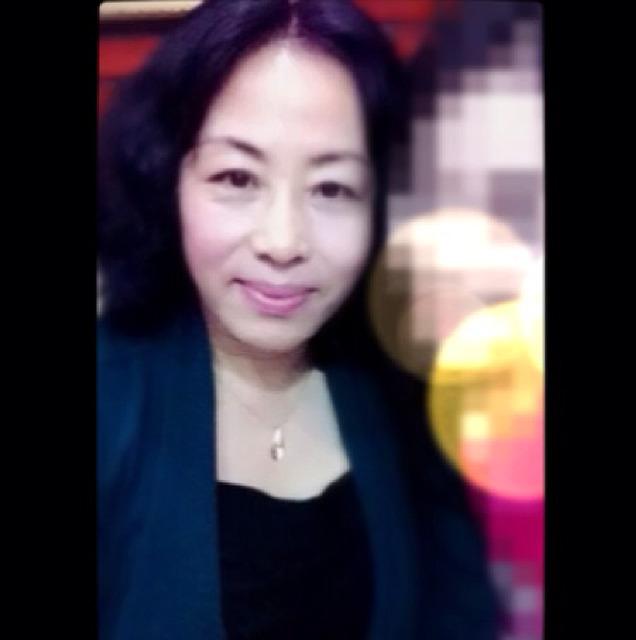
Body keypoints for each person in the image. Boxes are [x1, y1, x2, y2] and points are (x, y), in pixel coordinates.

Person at [97, 1, 501, 638]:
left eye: (332, 188)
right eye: (237, 177)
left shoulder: (402, 386)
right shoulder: (111, 393)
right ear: (167, 176)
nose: (283, 242)